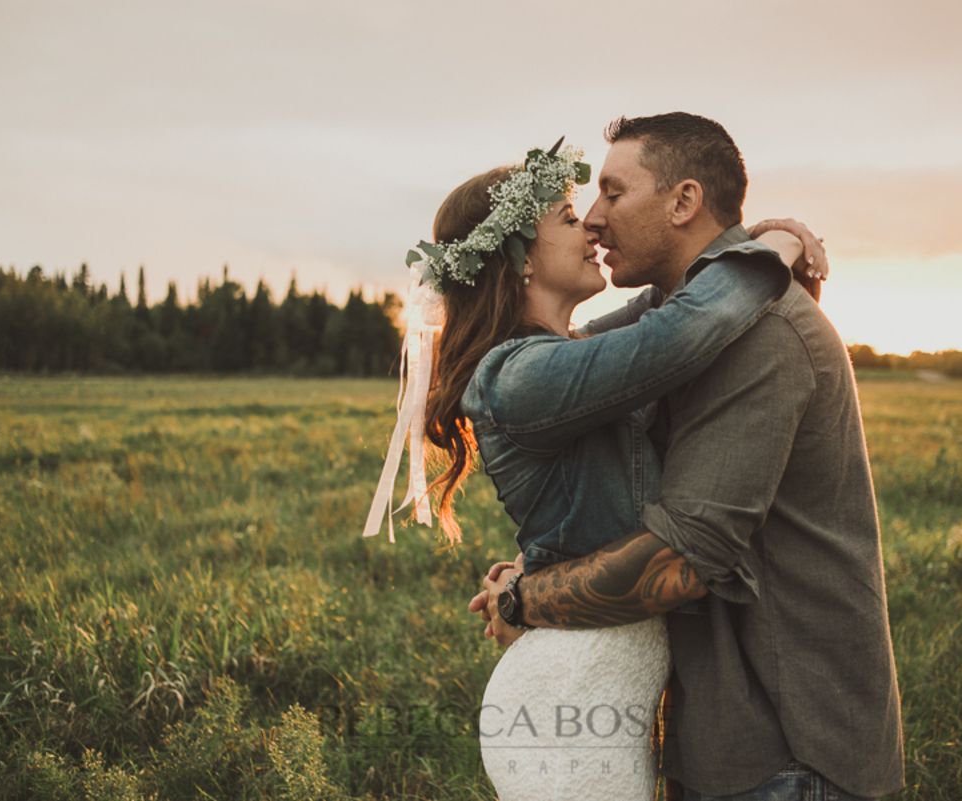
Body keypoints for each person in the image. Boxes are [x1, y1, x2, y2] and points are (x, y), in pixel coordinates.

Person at [364, 133, 824, 800]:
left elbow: (666, 308)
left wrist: (767, 233)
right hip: (570, 692)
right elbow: (678, 332)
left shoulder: (563, 353)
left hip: (601, 680)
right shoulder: (517, 375)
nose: (592, 232)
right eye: (569, 219)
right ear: (519, 258)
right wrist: (777, 248)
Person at [472, 113, 905, 800]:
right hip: (720, 738)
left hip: (788, 747)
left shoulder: (759, 332)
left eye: (613, 193)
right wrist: (778, 241)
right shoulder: (678, 325)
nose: (593, 218)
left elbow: (682, 560)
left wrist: (528, 596)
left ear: (683, 201)